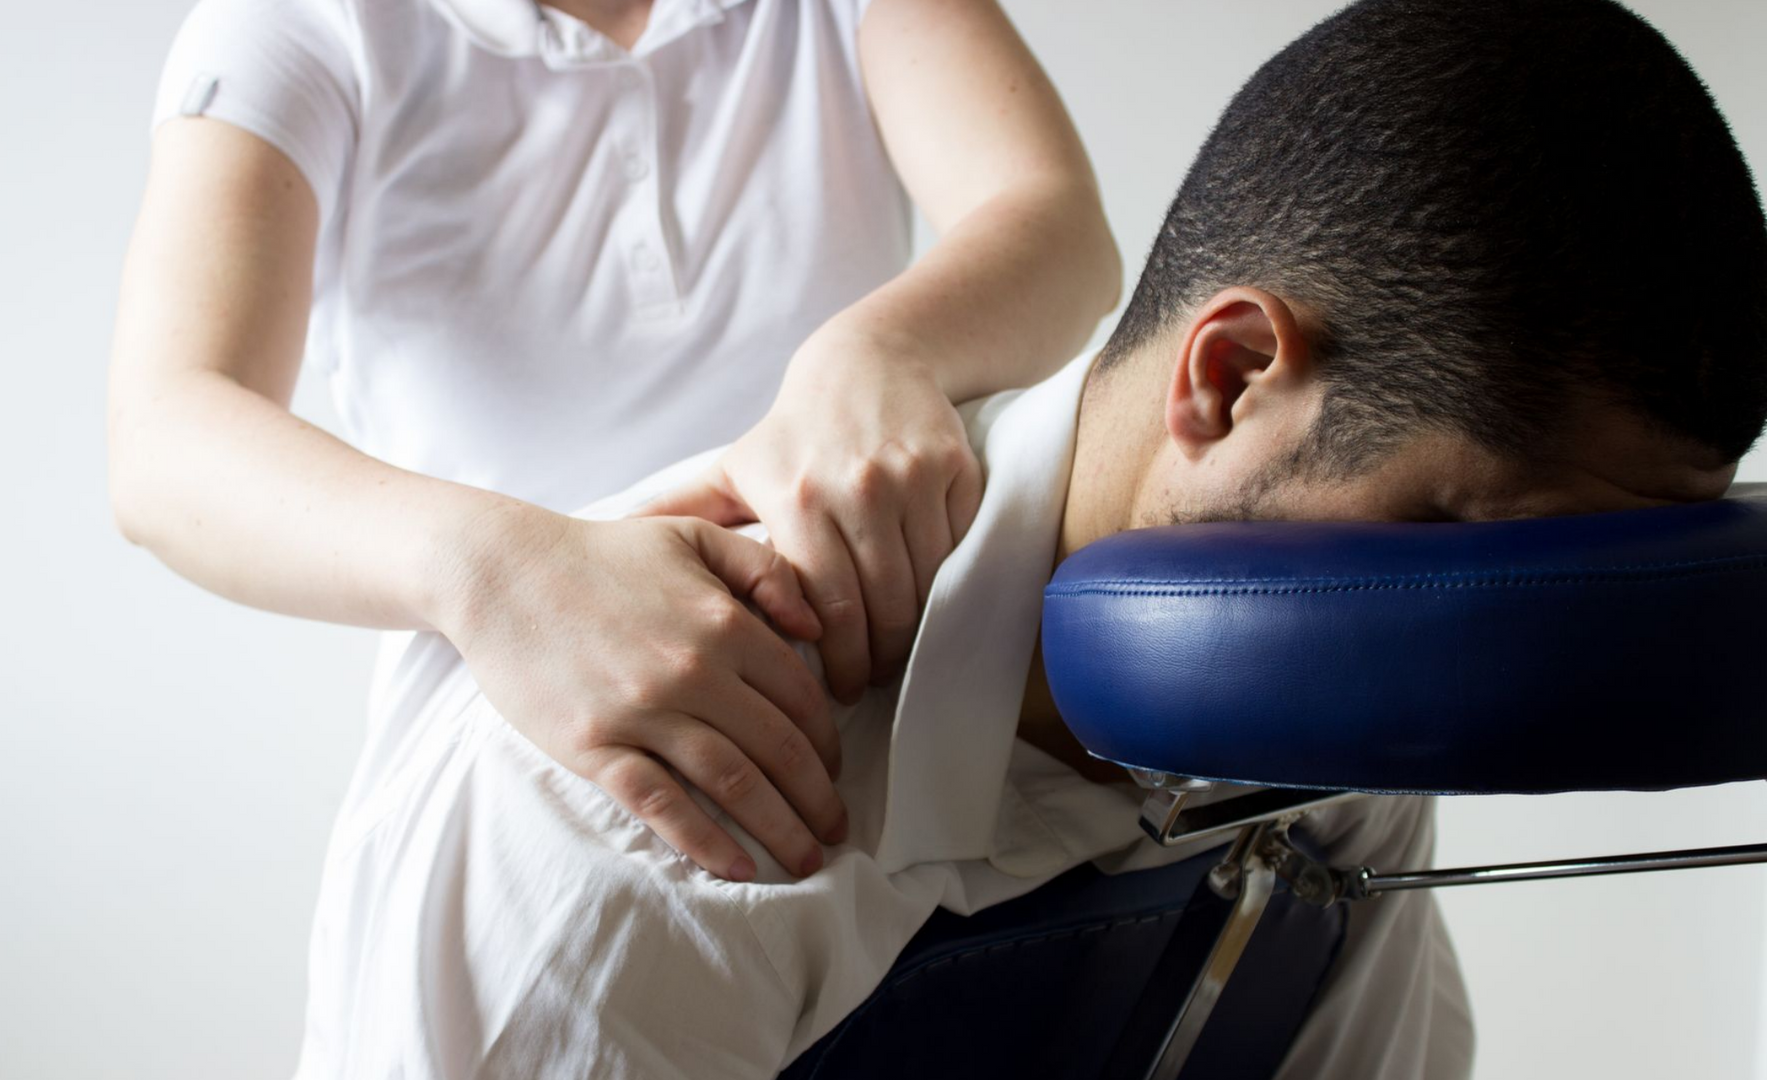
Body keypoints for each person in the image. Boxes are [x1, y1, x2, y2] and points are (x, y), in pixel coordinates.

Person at [269, 0, 1767, 1076]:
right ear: (1230, 378)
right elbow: (171, 444)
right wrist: (490, 564)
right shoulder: (664, 813)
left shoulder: (1356, 709)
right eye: (1464, 546)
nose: (1492, 649)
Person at [108, 0, 1123, 887]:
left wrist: (875, 354)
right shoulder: (306, 23)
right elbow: (165, 438)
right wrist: (500, 574)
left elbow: (1057, 224)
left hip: (877, 727)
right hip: (533, 759)